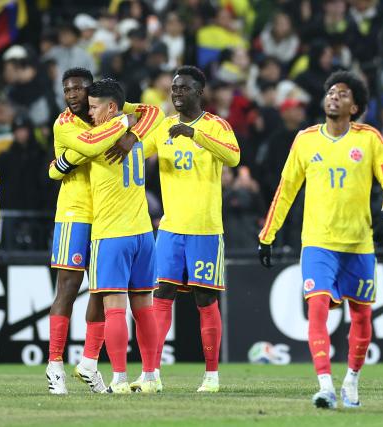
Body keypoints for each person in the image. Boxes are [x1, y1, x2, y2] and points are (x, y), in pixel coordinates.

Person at [257, 71, 383, 409]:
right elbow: (286, 190)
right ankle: (325, 385)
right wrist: (267, 236)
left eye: (343, 93)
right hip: (318, 242)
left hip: (358, 244)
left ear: (356, 107)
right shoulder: (306, 140)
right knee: (318, 308)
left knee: (362, 317)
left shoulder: (370, 139)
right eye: (331, 91)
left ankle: (351, 379)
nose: (334, 96)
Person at [46, 69, 162, 394]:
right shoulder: (65, 123)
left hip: (107, 220)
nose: (72, 95)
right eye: (67, 89)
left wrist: (61, 165)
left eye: (78, 89)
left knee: (101, 295)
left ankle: (90, 363)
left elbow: (153, 111)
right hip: (76, 212)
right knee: (68, 290)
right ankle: (55, 365)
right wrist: (128, 126)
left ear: (92, 93)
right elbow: (87, 145)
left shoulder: (103, 117)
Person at [136, 65, 240, 393]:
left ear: (199, 92)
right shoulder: (164, 127)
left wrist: (195, 135)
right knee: (160, 296)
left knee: (205, 298)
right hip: (170, 228)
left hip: (205, 229)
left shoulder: (216, 126)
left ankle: (211, 376)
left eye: (183, 88)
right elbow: (137, 152)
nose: (176, 93)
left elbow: (234, 158)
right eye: (174, 88)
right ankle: (151, 375)